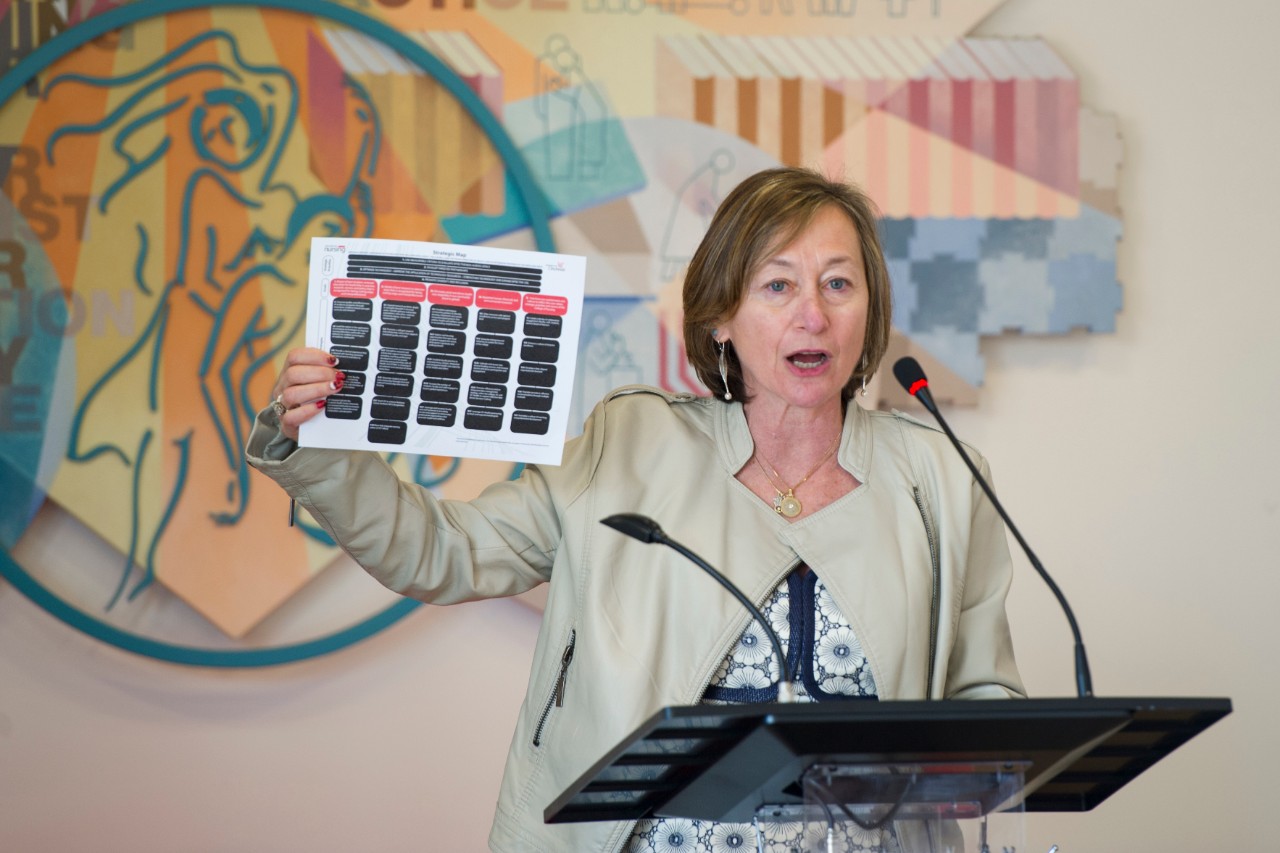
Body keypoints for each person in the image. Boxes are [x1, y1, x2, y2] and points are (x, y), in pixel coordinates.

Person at [245, 167, 1024, 852]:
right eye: (778, 284)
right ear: (722, 316)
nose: (812, 313)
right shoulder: (630, 443)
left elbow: (990, 711)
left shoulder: (944, 479)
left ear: (868, 311)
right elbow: (439, 551)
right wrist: (320, 440)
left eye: (839, 283)